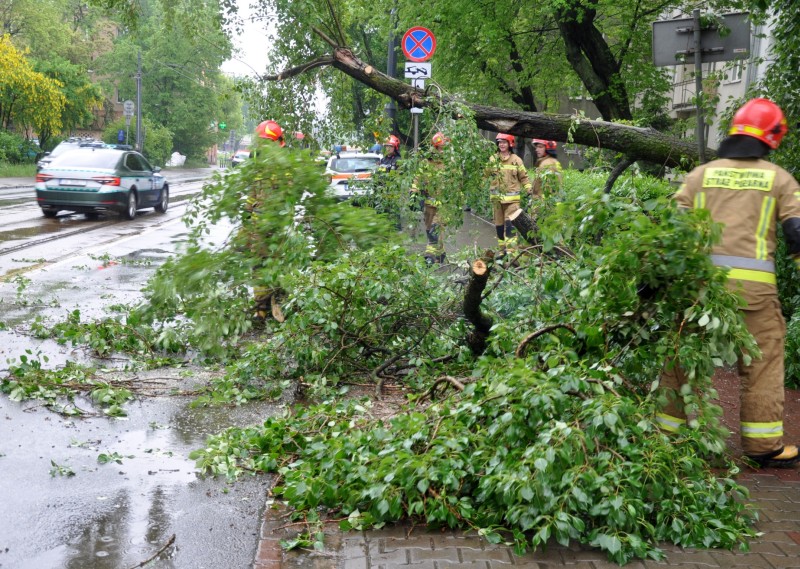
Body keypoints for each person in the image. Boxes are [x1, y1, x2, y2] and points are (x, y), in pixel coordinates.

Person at [656, 98, 800, 468]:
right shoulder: (779, 179)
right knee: (764, 361)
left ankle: (666, 433)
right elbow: (797, 233)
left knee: (680, 358)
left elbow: (671, 234)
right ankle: (763, 446)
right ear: (772, 136)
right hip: (755, 295)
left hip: (699, 290)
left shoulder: (699, 176)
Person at [247, 119, 286, 321]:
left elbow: (289, 195)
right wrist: (247, 212)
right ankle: (261, 308)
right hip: (258, 224)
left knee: (277, 263)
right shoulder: (257, 163)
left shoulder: (284, 166)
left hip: (277, 224)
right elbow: (253, 192)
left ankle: (276, 301)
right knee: (258, 265)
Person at [487, 133, 532, 254]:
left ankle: (512, 254)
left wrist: (529, 190)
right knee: (499, 226)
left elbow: (524, 177)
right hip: (497, 201)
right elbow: (484, 175)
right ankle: (502, 252)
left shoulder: (516, 160)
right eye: (499, 142)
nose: (501, 144)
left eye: (504, 142)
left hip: (512, 202)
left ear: (510, 143)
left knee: (510, 226)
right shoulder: (493, 159)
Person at [412, 131, 449, 264]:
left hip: (445, 205)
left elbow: (457, 183)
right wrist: (414, 192)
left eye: (443, 147)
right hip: (429, 203)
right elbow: (418, 178)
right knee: (429, 229)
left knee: (435, 228)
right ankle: (440, 253)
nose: (441, 151)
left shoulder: (450, 163)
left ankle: (429, 256)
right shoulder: (426, 162)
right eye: (438, 147)